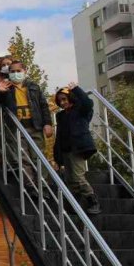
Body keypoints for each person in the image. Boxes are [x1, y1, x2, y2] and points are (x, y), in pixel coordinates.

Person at [54, 83, 101, 214]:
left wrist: (76, 89)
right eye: (60, 100)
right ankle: (76, 204)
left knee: (78, 176)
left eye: (64, 99)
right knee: (70, 179)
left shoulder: (81, 110)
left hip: (78, 148)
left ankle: (92, 200)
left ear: (71, 98)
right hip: (65, 149)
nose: (62, 102)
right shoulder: (60, 115)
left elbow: (88, 103)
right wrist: (57, 156)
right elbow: (59, 135)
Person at [0, 60, 54, 153]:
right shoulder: (5, 86)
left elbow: (44, 106)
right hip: (16, 128)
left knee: (38, 155)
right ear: (9, 73)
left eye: (18, 71)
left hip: (35, 127)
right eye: (13, 71)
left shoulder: (34, 86)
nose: (16, 73)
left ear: (25, 71)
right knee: (22, 156)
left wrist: (47, 123)